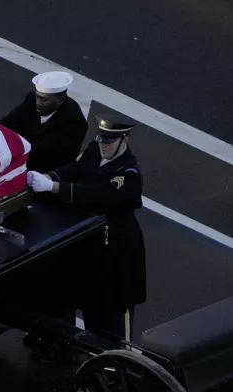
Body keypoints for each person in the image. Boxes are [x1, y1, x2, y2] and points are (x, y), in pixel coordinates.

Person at [26, 114, 146, 341]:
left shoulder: (128, 174)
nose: (103, 145)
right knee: (88, 300)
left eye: (109, 142)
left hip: (117, 249)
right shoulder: (95, 149)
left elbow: (97, 195)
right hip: (90, 242)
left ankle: (117, 363)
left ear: (124, 141)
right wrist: (48, 176)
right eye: (101, 139)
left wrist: (53, 186)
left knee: (115, 314)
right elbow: (75, 169)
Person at [0, 71, 87, 173]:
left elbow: (44, 150)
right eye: (38, 97)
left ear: (60, 100)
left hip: (45, 170)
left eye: (44, 99)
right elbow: (10, 121)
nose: (38, 103)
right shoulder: (31, 99)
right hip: (22, 154)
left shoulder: (74, 123)